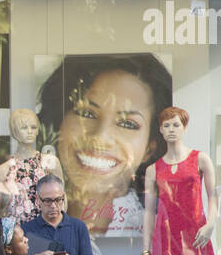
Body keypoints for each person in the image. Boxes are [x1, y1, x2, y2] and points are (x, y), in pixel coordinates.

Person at [35, 54, 173, 237]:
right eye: (87, 113)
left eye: (127, 124)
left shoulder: (160, 228)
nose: (100, 138)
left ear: (150, 147)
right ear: (60, 121)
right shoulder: (26, 212)